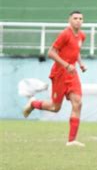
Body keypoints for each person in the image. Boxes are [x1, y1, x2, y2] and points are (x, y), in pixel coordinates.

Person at [23, 11, 87, 147]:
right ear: (69, 20)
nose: (78, 21)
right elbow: (51, 52)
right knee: (55, 107)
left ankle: (72, 140)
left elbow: (76, 50)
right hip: (60, 73)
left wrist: (80, 64)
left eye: (80, 18)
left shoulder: (82, 35)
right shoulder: (65, 34)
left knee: (78, 103)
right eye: (75, 18)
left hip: (72, 73)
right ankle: (33, 103)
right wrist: (66, 64)